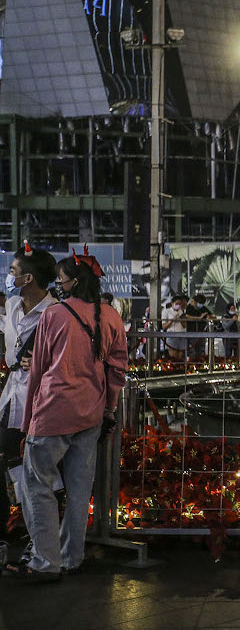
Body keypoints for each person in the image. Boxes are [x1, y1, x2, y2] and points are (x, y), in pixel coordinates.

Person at [8, 248, 127, 580]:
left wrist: (29, 418)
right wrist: (110, 410)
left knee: (37, 486)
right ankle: (71, 557)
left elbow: (38, 372)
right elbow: (118, 372)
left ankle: (45, 562)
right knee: (78, 489)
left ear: (73, 283)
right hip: (91, 415)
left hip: (53, 414)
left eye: (60, 280)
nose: (57, 285)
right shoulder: (112, 317)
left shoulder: (55, 315)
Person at [0, 242, 58, 566]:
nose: (9, 276)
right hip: (11, 399)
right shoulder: (11, 305)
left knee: (38, 475)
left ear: (28, 278)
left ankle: (39, 543)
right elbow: (10, 354)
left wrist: (40, 362)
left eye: (13, 272)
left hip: (41, 404)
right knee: (11, 464)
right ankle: (17, 535)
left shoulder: (54, 314)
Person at [162, 294, 188, 360]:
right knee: (173, 357)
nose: (178, 305)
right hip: (172, 335)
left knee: (180, 356)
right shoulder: (167, 311)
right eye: (177, 303)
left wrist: (181, 319)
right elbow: (164, 326)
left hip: (182, 334)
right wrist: (172, 320)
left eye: (180, 304)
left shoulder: (182, 311)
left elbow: (184, 325)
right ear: (172, 303)